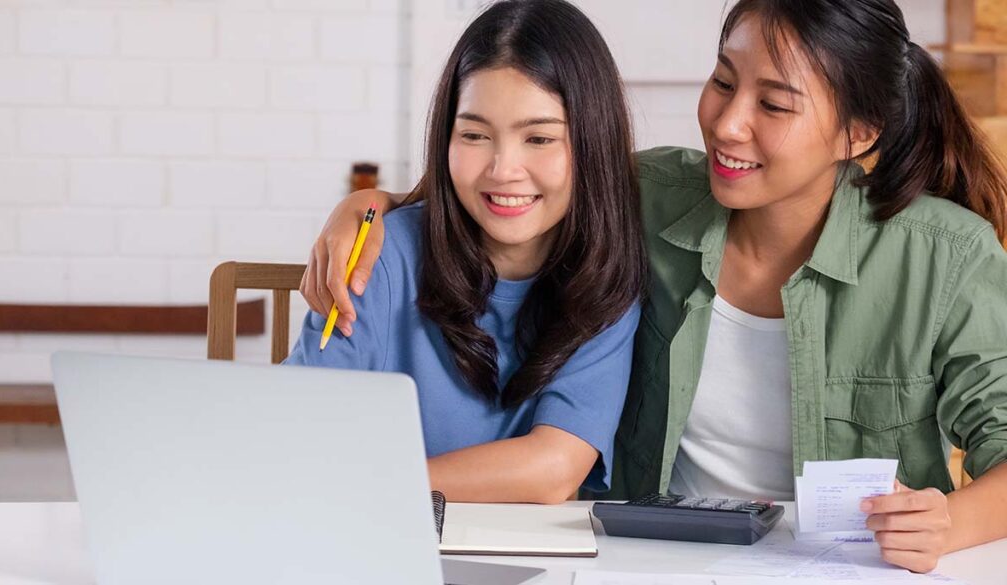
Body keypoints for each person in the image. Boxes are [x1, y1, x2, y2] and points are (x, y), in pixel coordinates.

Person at [300, 0, 1007, 573]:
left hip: (848, 567)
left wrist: (949, 523)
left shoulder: (944, 255)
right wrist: (373, 205)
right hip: (651, 558)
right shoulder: (650, 198)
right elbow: (514, 174)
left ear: (859, 132)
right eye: (724, 81)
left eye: (774, 104)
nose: (727, 124)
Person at [284, 0, 645, 505]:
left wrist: (370, 480)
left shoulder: (604, 281)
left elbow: (554, 468)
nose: (503, 169)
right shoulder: (380, 259)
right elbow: (295, 430)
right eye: (474, 135)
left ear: (593, 144)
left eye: (539, 138)